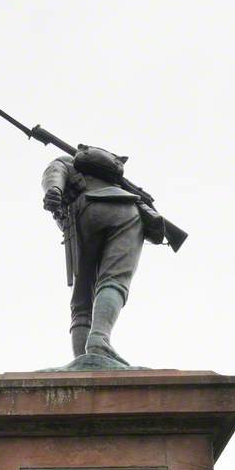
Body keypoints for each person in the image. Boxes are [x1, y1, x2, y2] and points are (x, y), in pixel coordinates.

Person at [41, 144, 148, 365]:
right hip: (125, 210)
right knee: (114, 280)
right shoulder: (119, 186)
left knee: (82, 298)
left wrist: (54, 190)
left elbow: (55, 170)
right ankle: (98, 340)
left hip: (85, 212)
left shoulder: (68, 162)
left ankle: (83, 359)